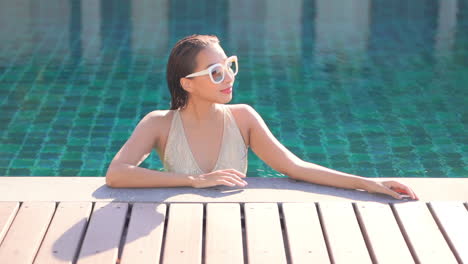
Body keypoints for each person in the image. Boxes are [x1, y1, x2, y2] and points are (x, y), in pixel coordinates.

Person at [105, 34, 418, 200]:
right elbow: (117, 174)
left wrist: (370, 183)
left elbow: (295, 167)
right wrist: (193, 181)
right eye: (215, 72)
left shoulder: (243, 118)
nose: (228, 77)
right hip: (178, 224)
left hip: (236, 224)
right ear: (188, 83)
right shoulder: (159, 123)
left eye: (229, 65)